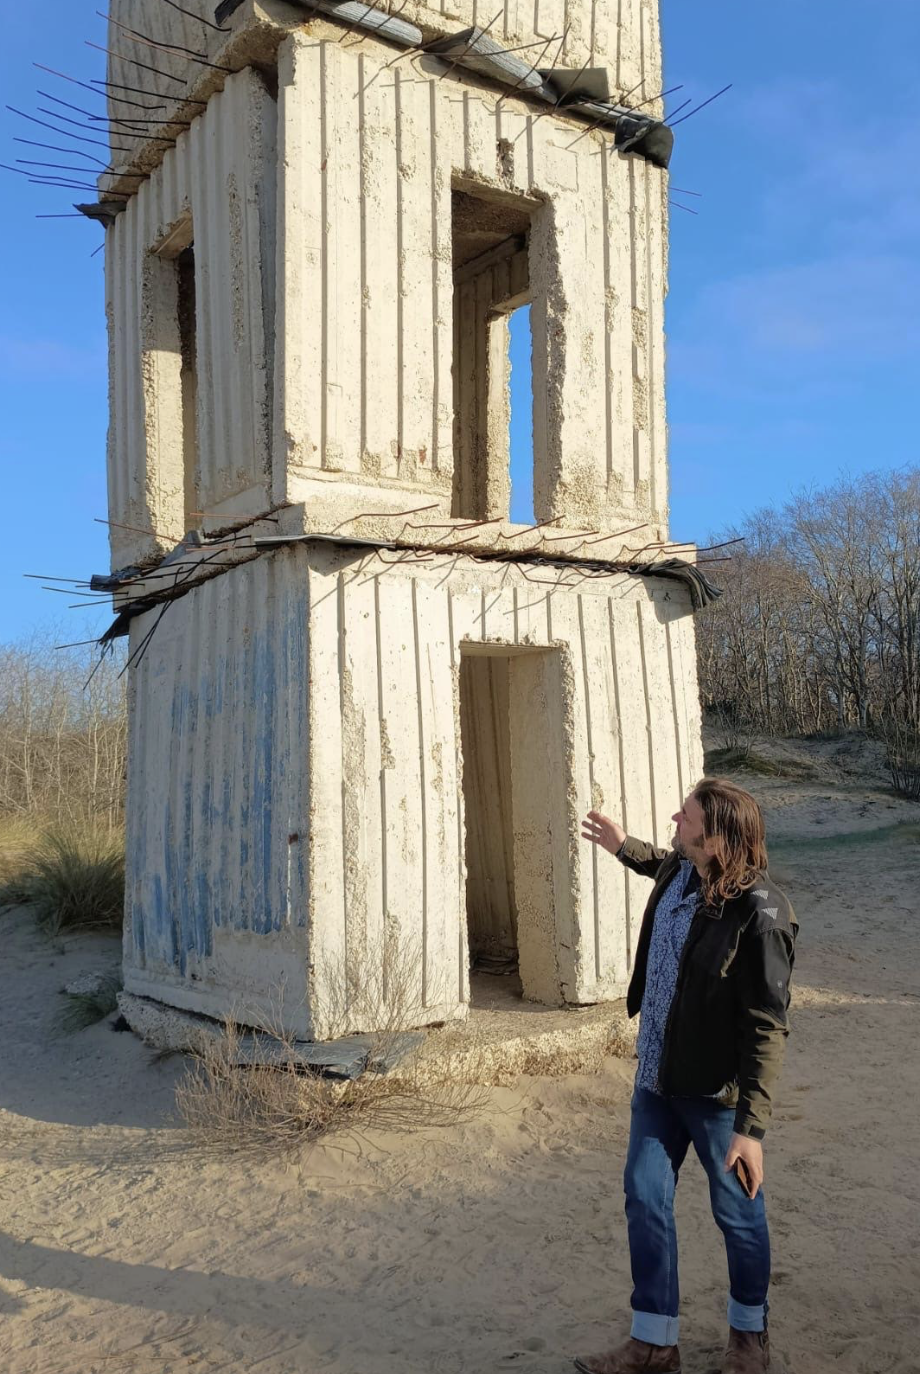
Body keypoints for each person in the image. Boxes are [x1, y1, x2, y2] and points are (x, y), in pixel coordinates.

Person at [575, 778, 797, 1374]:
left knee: (738, 1213)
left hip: (718, 1097)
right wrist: (623, 846)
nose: (676, 819)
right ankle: (654, 1343)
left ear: (719, 838)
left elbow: (767, 1026)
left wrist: (752, 1128)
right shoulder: (681, 871)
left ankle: (749, 1339)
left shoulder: (762, 914)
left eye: (688, 816)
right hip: (655, 1082)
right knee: (645, 1199)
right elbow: (659, 861)